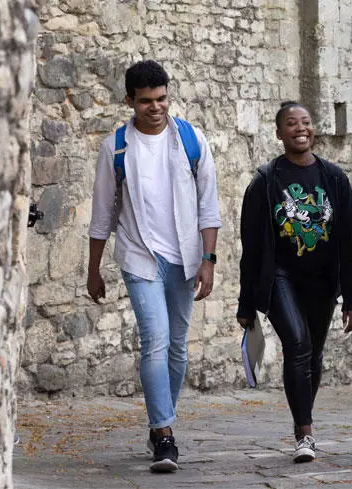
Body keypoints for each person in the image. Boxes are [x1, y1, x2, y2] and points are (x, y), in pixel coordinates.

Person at [87, 60, 221, 472]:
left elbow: (208, 205)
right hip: (138, 256)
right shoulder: (116, 148)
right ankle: (164, 434)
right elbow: (102, 213)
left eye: (162, 98)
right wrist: (93, 269)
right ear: (130, 101)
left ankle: (162, 419)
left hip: (185, 257)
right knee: (157, 340)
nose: (156, 107)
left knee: (178, 347)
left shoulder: (191, 140)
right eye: (146, 101)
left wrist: (209, 260)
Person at [237, 101, 352, 463]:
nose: (300, 128)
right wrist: (247, 304)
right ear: (279, 133)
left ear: (314, 129)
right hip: (280, 277)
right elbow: (253, 248)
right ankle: (304, 433)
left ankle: (303, 415)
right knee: (298, 343)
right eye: (291, 123)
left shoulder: (334, 179)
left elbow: (348, 241)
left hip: (322, 280)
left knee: (314, 354)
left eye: (305, 122)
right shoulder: (264, 183)